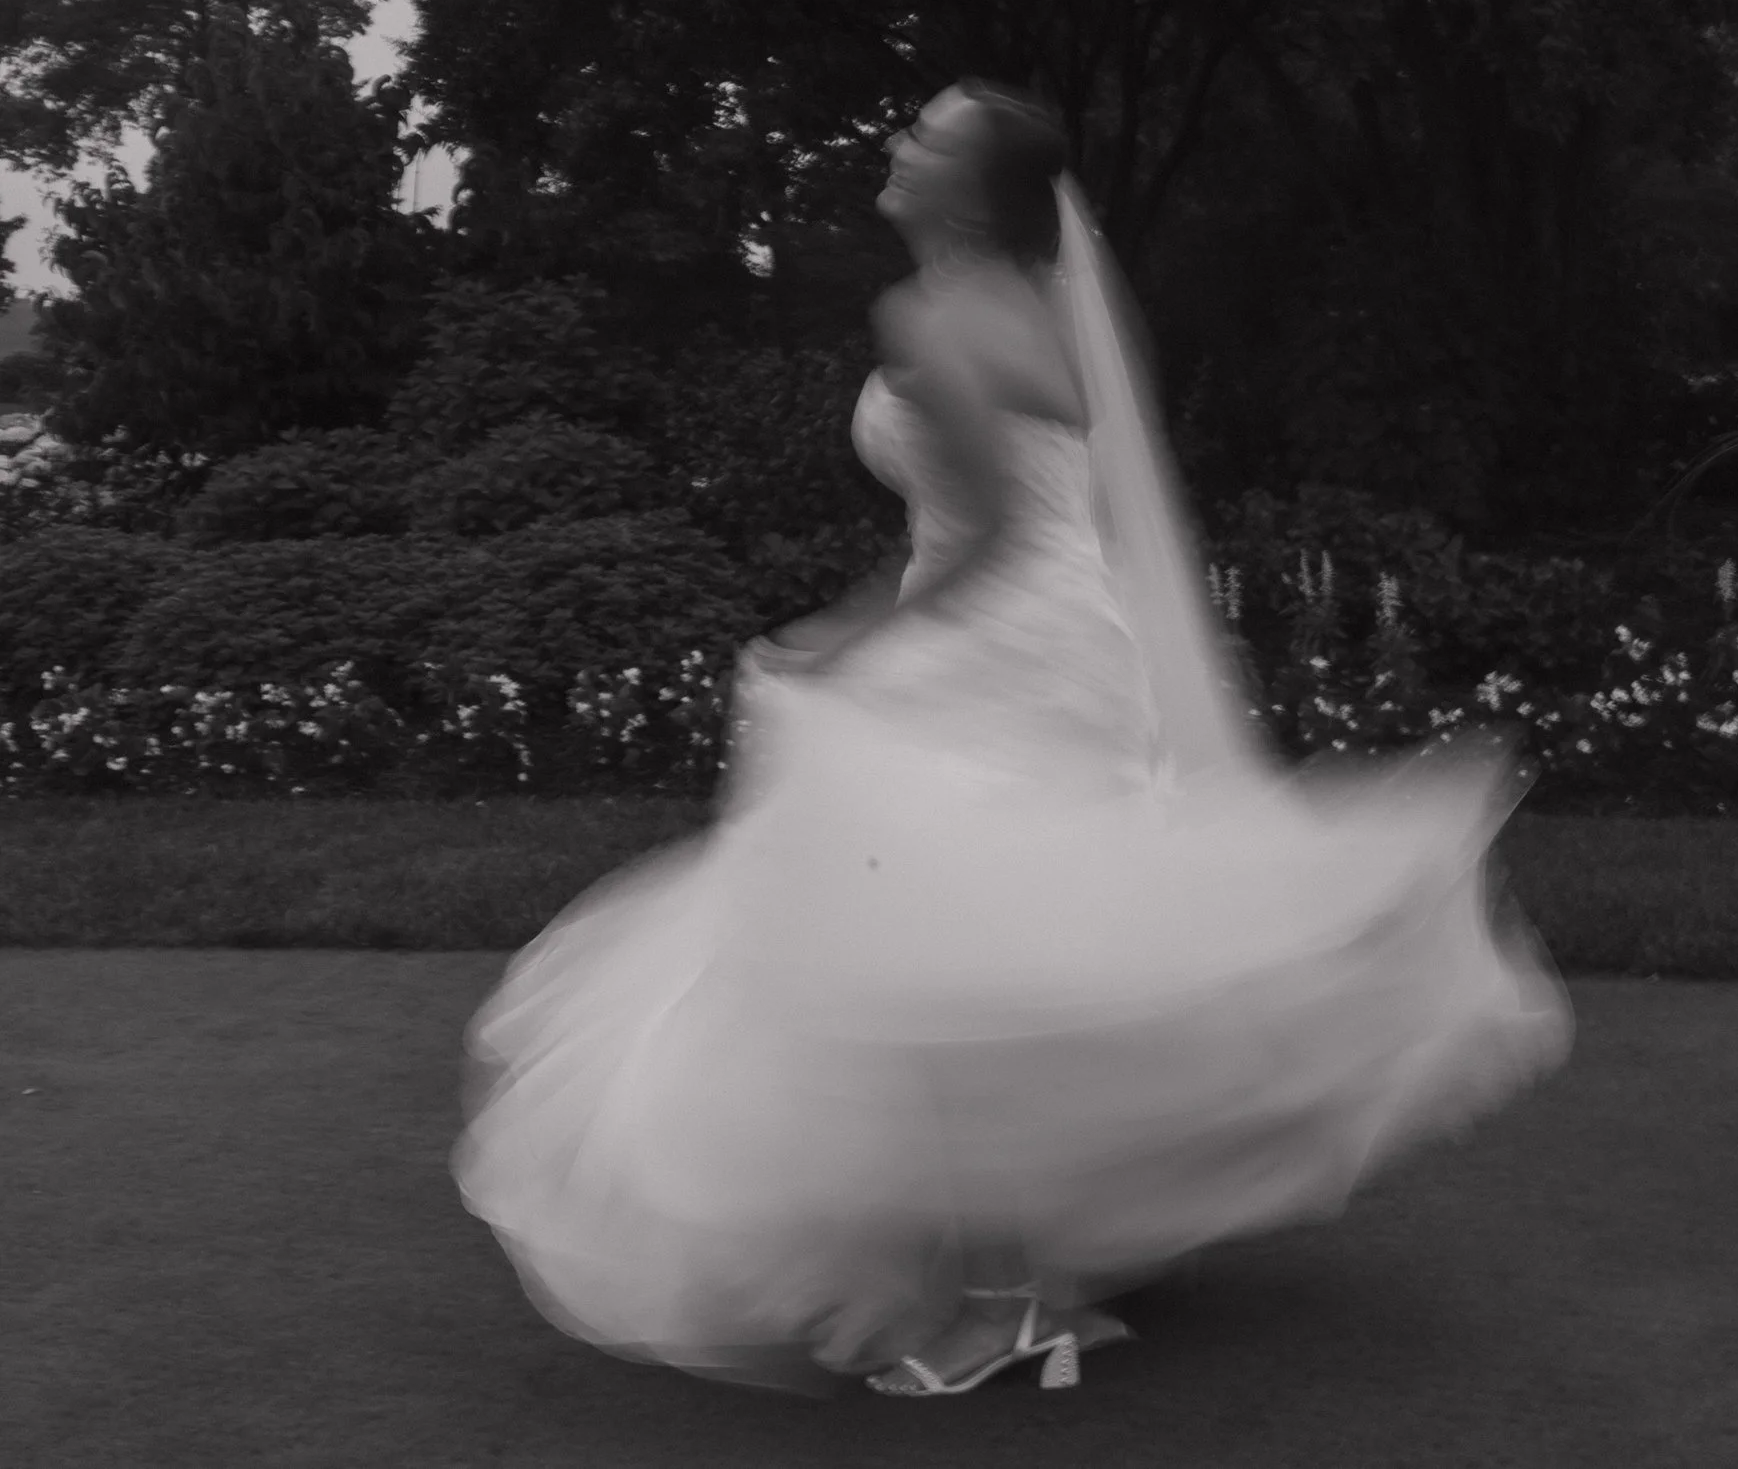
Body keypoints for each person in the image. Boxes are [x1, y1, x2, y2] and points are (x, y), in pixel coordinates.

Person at [453, 80, 1570, 1397]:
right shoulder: (1043, 310)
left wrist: (840, 640)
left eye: (927, 137)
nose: (896, 143)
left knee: (931, 947)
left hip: (995, 639)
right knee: (1012, 943)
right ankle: (1033, 1275)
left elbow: (981, 533)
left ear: (974, 193)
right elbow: (1050, 508)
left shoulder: (931, 315)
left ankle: (997, 1307)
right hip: (1077, 639)